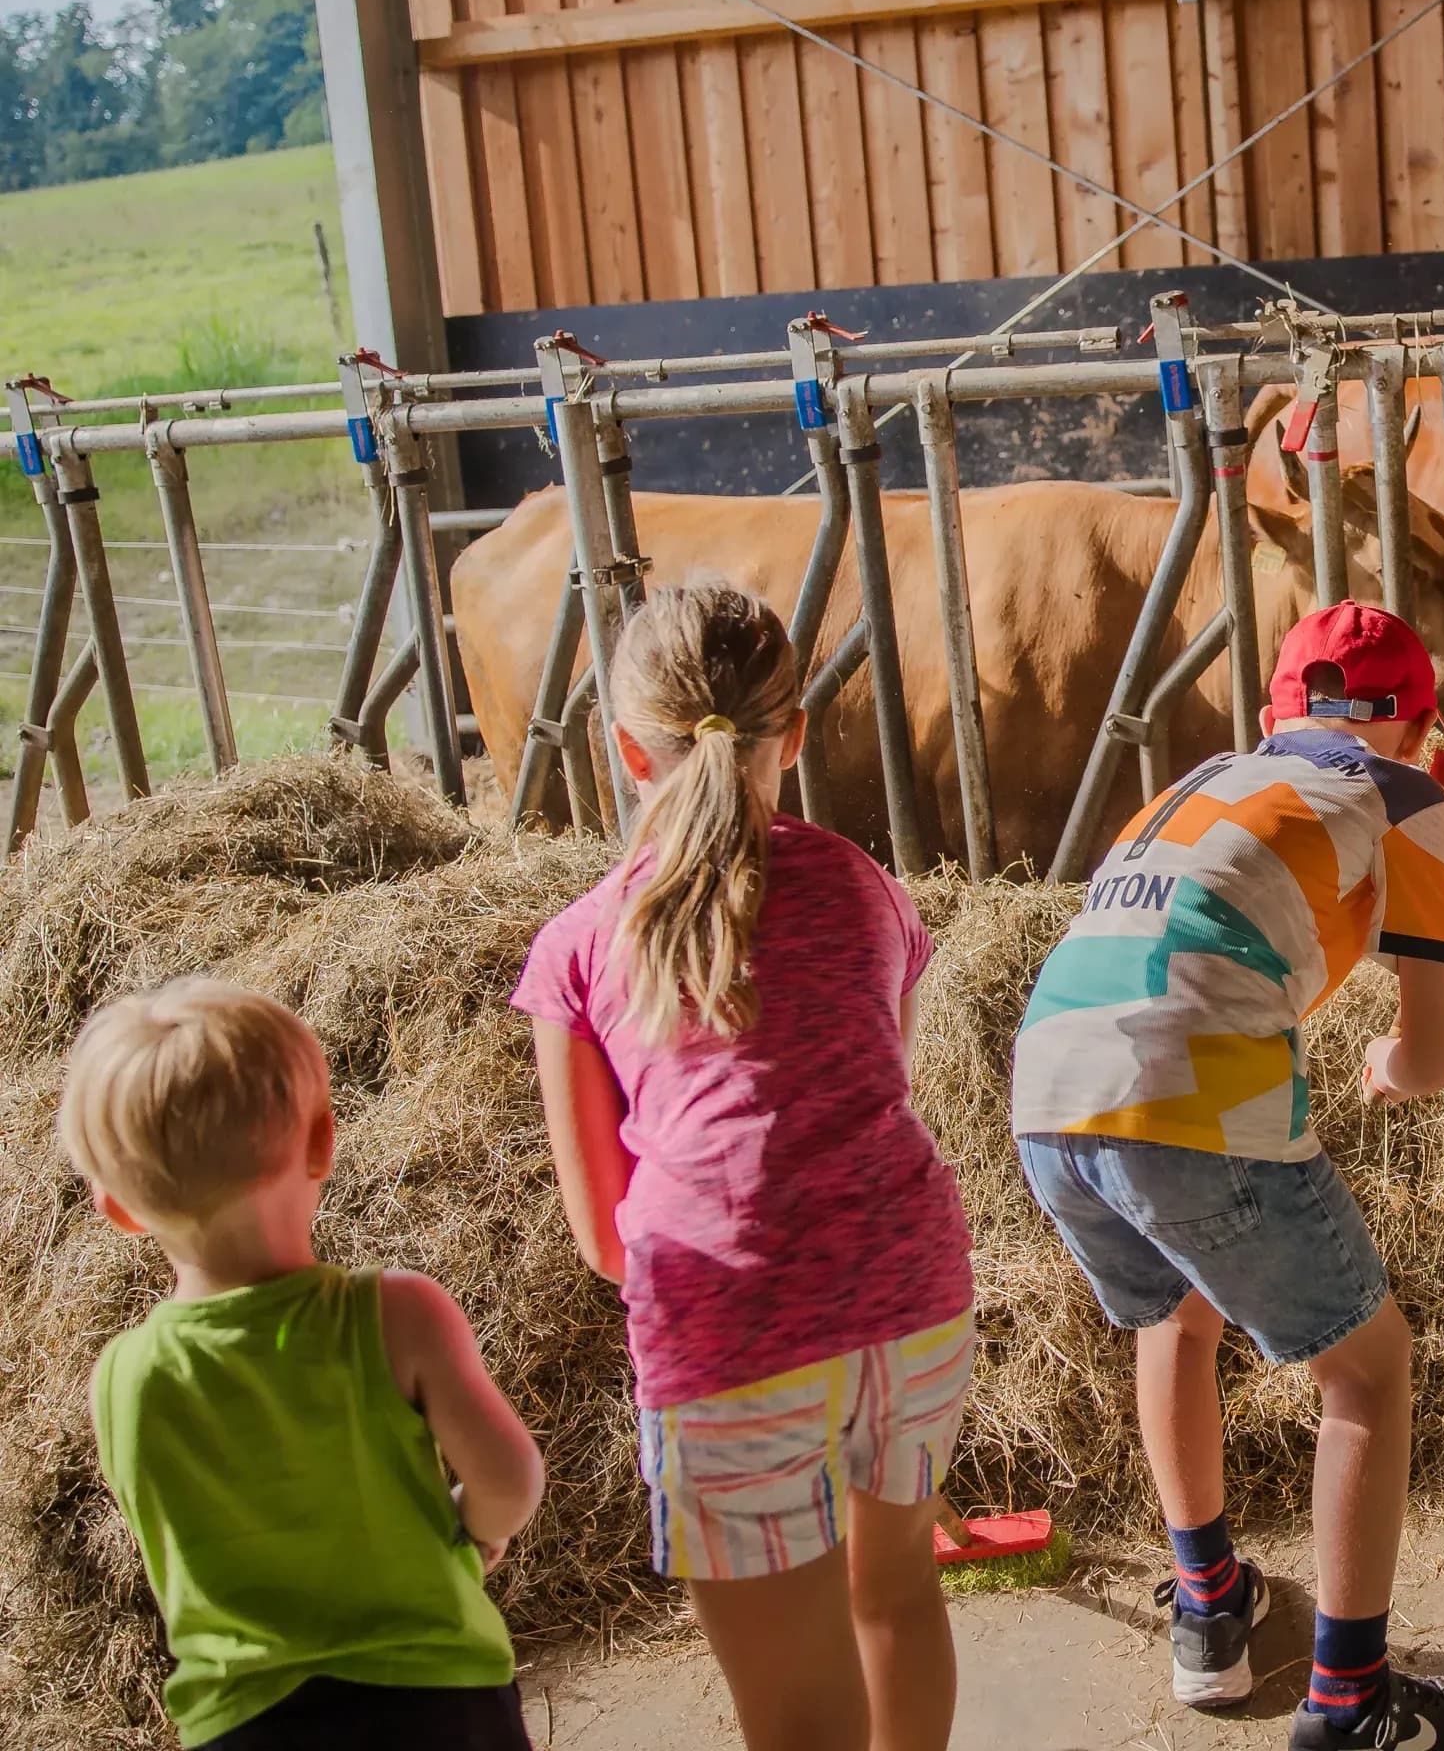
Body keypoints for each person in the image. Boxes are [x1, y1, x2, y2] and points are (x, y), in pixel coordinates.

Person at [1012, 601, 1444, 1751]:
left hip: (1048, 1085)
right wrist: (1390, 1064)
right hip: (1194, 1095)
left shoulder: (1202, 777)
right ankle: (1350, 1702)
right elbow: (1432, 1057)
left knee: (1175, 1317)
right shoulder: (1411, 795)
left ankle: (1208, 1608)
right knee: (1371, 1369)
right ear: (1424, 723)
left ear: (1270, 714)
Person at [513, 582, 976, 1751]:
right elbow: (875, 1081)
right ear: (799, 729)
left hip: (726, 1314)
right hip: (910, 1285)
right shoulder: (870, 885)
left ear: (625, 751)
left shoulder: (583, 939)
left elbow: (603, 1238)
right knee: (901, 1596)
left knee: (800, 1715)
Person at [63, 977, 543, 1750]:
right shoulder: (399, 1315)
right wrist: (471, 1534)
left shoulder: (123, 1378)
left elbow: (170, 1554)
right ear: (323, 1140)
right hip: (433, 1697)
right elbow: (510, 1479)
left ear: (119, 1210)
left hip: (244, 1720)